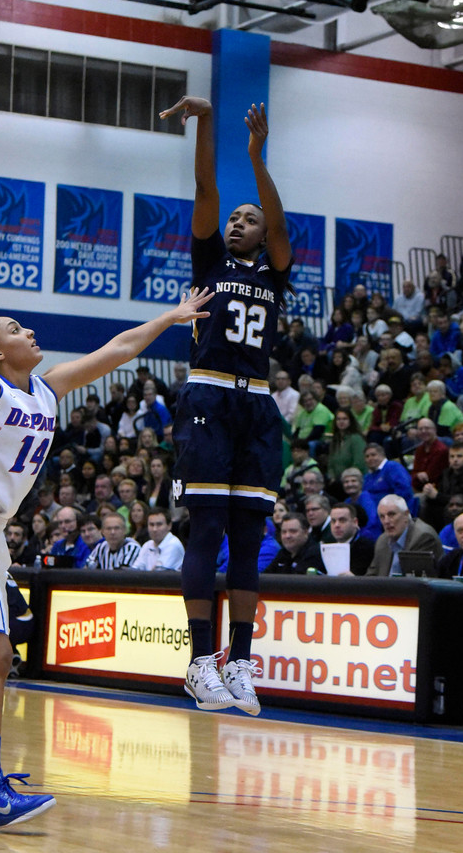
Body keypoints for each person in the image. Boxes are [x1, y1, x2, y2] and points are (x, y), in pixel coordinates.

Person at [0, 290, 211, 831]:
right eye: (16, 328)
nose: (28, 332)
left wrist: (171, 317)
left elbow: (118, 349)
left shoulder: (46, 390)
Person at [159, 94, 292, 717]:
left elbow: (280, 221)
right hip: (208, 395)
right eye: (234, 217)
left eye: (249, 217)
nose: (238, 221)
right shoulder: (209, 258)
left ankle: (239, 659)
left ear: (264, 233)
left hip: (258, 408)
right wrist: (209, 119)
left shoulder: (276, 271)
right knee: (206, 530)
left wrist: (258, 158)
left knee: (248, 536)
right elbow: (205, 183)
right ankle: (198, 663)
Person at [365, 495, 443, 577]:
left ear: (406, 514)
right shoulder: (382, 540)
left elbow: (416, 582)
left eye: (391, 514)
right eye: (382, 517)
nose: (386, 521)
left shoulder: (423, 537)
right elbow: (371, 576)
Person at [327, 502, 375, 576]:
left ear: (355, 522)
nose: (336, 525)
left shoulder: (366, 548)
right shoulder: (327, 547)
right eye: (333, 521)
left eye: (342, 520)